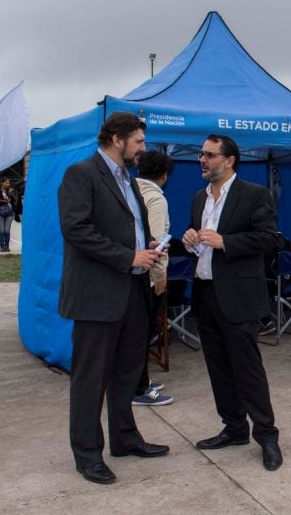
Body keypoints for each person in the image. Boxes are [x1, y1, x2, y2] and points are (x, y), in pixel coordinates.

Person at [58, 112, 169, 485]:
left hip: (132, 292)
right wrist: (128, 256)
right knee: (91, 378)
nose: (143, 149)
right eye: (138, 142)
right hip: (97, 296)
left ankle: (125, 439)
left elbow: (128, 229)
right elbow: (77, 230)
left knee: (127, 373)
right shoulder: (82, 174)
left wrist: (146, 245)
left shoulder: (131, 182)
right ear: (117, 139)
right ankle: (88, 454)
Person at [182, 134, 283, 471]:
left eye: (209, 155)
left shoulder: (254, 195)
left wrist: (227, 241)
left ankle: (267, 435)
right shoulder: (199, 198)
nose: (202, 160)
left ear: (229, 160)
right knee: (218, 368)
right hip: (206, 292)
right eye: (201, 154)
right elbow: (196, 237)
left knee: (248, 369)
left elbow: (270, 239)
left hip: (238, 296)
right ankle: (234, 427)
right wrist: (190, 238)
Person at [132, 150, 174, 406]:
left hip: (132, 273)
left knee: (136, 333)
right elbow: (156, 243)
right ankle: (139, 388)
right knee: (144, 332)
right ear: (164, 175)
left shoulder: (131, 191)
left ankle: (141, 380)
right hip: (147, 276)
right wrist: (159, 277)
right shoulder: (156, 199)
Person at [0, 178, 15, 252]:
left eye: (8, 183)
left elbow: (13, 201)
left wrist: (11, 195)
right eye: (6, 182)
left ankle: (7, 246)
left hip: (9, 213)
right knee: (1, 230)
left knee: (7, 231)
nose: (7, 184)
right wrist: (6, 201)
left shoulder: (10, 191)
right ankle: (2, 246)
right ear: (2, 183)